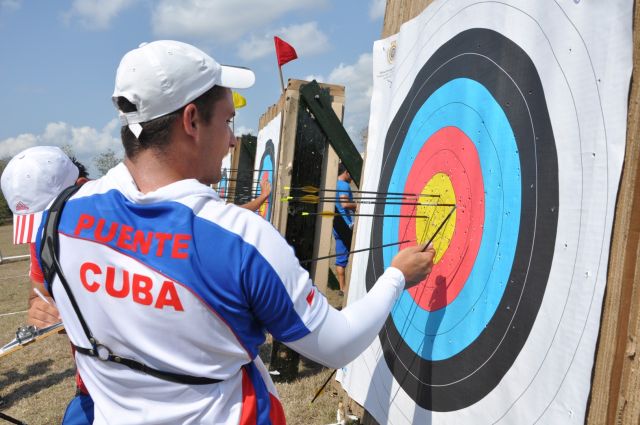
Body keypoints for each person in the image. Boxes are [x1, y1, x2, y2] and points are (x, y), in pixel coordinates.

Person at [32, 40, 434, 424]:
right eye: (227, 121)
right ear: (191, 120)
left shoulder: (61, 215)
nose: (230, 140)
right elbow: (337, 345)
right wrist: (397, 276)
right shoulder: (240, 238)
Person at [0, 146, 94, 424]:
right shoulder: (44, 235)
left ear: (81, 186)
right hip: (91, 384)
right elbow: (39, 296)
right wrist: (42, 310)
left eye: (50, 217)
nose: (44, 234)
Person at [333, 162, 357, 296]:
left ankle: (342, 289)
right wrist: (358, 206)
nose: (352, 178)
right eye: (351, 174)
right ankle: (350, 287)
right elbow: (345, 203)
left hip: (337, 227)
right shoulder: (343, 185)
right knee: (358, 255)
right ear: (346, 172)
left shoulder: (334, 184)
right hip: (347, 226)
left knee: (340, 259)